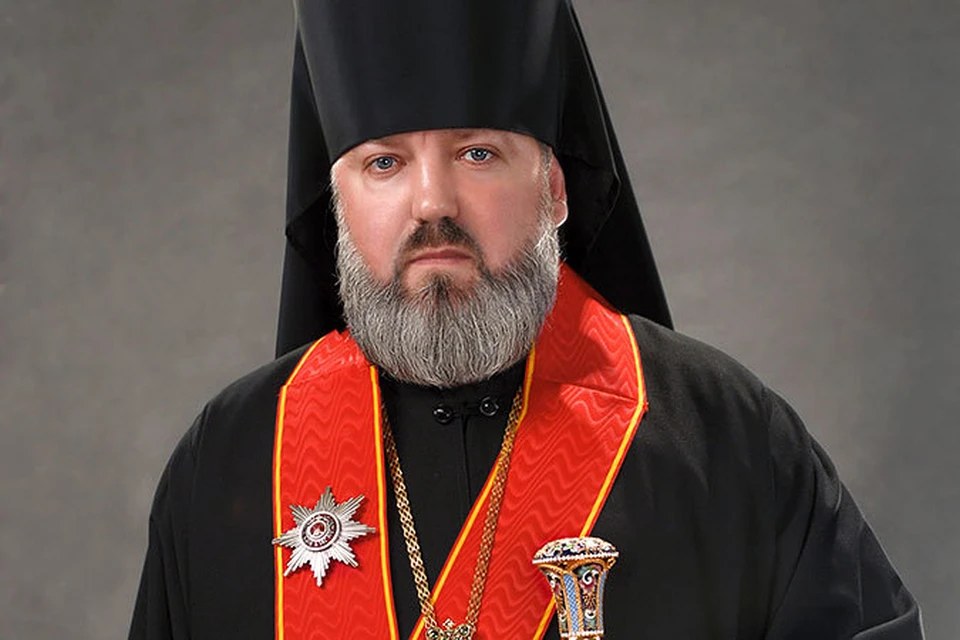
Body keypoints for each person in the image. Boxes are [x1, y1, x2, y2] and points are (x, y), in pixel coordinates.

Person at [129, 1, 923, 638]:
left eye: (478, 153)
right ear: (337, 205)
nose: (432, 202)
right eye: (384, 163)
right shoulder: (229, 459)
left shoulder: (725, 436)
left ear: (556, 189)